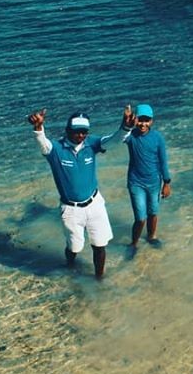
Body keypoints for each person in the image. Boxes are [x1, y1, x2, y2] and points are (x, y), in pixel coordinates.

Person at [27, 107, 130, 279]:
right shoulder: (56, 149)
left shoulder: (92, 144)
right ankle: (70, 265)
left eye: (84, 132)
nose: (80, 135)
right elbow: (43, 143)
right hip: (71, 209)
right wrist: (38, 127)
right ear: (68, 130)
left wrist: (126, 127)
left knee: (99, 245)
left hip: (95, 204)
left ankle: (99, 279)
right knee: (74, 247)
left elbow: (113, 140)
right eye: (76, 131)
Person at [123, 103, 172, 251]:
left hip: (154, 183)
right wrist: (125, 123)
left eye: (147, 120)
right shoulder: (131, 136)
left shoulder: (158, 138)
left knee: (153, 213)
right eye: (140, 120)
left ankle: (151, 237)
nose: (143, 124)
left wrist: (167, 182)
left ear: (151, 121)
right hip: (135, 183)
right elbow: (121, 136)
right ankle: (133, 243)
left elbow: (163, 161)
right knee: (140, 217)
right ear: (135, 119)